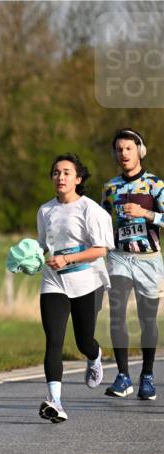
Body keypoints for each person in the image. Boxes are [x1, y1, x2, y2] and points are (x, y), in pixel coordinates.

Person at [35, 154, 113, 423]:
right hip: (54, 281)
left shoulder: (91, 210)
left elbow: (101, 249)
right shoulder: (45, 211)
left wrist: (67, 258)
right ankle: (55, 401)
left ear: (78, 179)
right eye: (56, 172)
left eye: (67, 173)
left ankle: (95, 355)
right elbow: (43, 245)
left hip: (87, 281)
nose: (60, 177)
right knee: (54, 340)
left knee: (83, 341)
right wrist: (28, 257)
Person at [101, 128, 163, 401]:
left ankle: (147, 376)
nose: (123, 153)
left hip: (149, 259)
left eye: (128, 148)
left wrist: (145, 213)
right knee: (117, 312)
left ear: (140, 150)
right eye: (119, 149)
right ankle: (123, 376)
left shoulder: (155, 185)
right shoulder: (110, 187)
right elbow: (101, 224)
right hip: (119, 257)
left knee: (147, 319)